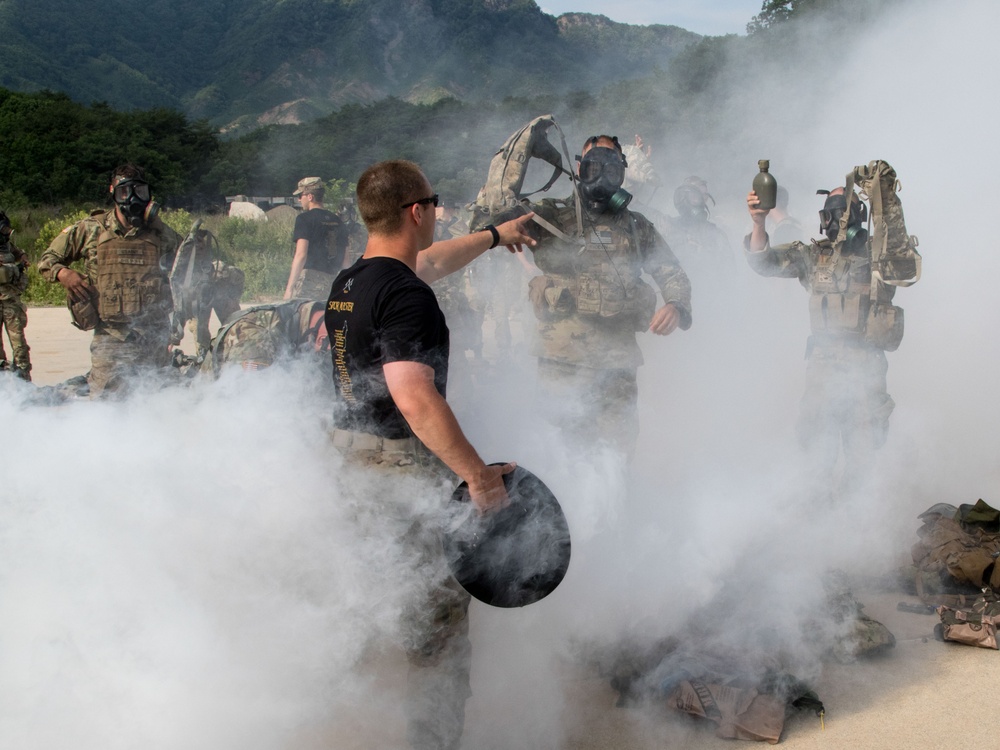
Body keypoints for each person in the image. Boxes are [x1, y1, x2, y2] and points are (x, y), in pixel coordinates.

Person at [325, 159, 535, 750]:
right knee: (437, 635)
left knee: (367, 601)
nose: (438, 212)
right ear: (418, 211)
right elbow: (413, 396)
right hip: (399, 472)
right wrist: (478, 477)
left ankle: (331, 722)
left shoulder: (352, 282)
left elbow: (431, 263)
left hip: (349, 463)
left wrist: (497, 236)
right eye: (435, 202)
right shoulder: (407, 296)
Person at [476, 134, 692, 459]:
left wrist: (676, 304)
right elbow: (490, 220)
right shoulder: (550, 216)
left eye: (612, 165)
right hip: (561, 359)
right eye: (594, 163)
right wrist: (516, 159)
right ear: (578, 167)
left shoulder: (636, 226)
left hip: (617, 363)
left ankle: (613, 507)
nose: (602, 172)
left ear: (623, 172)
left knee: (616, 450)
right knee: (560, 447)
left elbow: (671, 270)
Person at [745, 182, 909, 499]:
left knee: (864, 451)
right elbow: (762, 262)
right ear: (825, 218)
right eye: (834, 211)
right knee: (817, 451)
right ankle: (818, 526)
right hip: (823, 368)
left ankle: (858, 527)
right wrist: (758, 222)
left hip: (866, 368)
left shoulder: (879, 257)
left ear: (862, 214)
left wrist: (886, 198)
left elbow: (904, 257)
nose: (840, 218)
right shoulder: (813, 255)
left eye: (849, 209)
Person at [38, 164, 180, 398]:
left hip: (154, 336)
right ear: (113, 191)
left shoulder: (161, 234)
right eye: (124, 192)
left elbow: (187, 273)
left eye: (139, 191)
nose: (133, 198)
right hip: (111, 337)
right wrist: (65, 274)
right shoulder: (91, 229)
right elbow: (47, 260)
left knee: (157, 404)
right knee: (107, 406)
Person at [169, 223, 245, 361]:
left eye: (202, 247)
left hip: (216, 296)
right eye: (196, 248)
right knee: (199, 334)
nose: (199, 250)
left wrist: (231, 296)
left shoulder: (219, 271)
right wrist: (173, 338)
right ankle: (204, 358)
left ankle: (234, 356)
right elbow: (179, 307)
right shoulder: (185, 276)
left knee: (234, 328)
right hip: (196, 308)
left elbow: (238, 278)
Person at [199, 298, 327, 376]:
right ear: (320, 340)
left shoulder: (313, 314)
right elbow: (249, 406)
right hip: (215, 404)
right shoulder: (258, 341)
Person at [283, 176, 347, 300]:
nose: (299, 199)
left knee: (304, 318)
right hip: (333, 283)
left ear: (310, 197)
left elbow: (301, 255)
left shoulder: (304, 219)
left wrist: (289, 288)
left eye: (301, 195)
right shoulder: (338, 221)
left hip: (309, 283)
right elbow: (346, 261)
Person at [663, 175, 735, 277]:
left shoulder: (717, 235)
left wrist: (703, 253)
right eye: (695, 197)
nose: (701, 200)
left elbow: (729, 274)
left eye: (704, 196)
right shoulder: (668, 226)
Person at [0, 211, 31, 380]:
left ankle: (23, 379)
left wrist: (23, 259)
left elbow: (20, 254)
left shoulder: (8, 246)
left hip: (11, 302)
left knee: (19, 345)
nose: (6, 234)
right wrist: (14, 269)